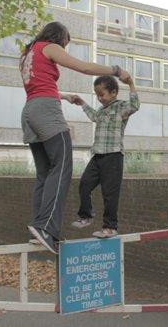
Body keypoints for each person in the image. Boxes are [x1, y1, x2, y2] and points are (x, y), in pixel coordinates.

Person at [19, 21, 129, 254]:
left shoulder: (28, 53)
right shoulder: (48, 46)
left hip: (29, 111)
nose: (65, 49)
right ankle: (47, 228)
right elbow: (85, 68)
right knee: (62, 167)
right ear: (58, 37)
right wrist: (115, 71)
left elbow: (37, 86)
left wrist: (65, 95)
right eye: (65, 44)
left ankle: (38, 231)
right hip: (46, 112)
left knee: (45, 173)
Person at [70, 75, 139, 238]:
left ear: (113, 92)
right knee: (84, 184)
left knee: (110, 194)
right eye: (97, 95)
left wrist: (130, 84)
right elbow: (94, 116)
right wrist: (83, 104)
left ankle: (110, 227)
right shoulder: (101, 110)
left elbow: (135, 105)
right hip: (98, 155)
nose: (99, 98)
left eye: (102, 94)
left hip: (113, 156)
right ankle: (86, 216)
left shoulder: (121, 107)